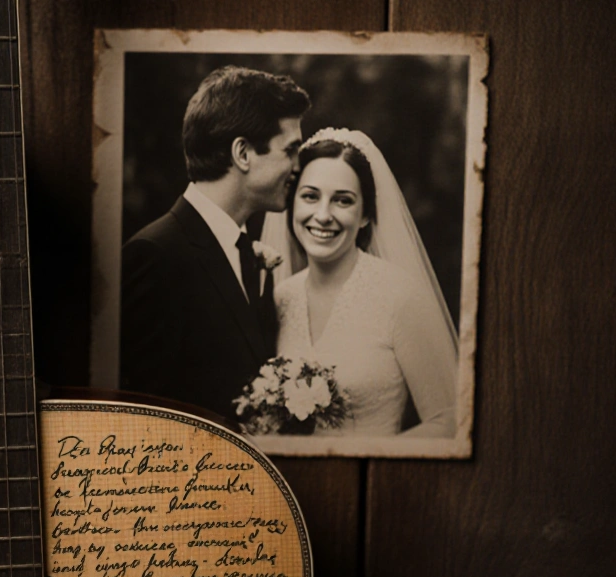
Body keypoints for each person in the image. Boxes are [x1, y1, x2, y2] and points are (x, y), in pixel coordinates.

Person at [119, 66, 310, 419]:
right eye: (290, 151)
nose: (299, 166)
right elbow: (141, 418)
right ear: (243, 154)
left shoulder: (245, 253)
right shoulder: (154, 257)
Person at [270, 128, 458, 437]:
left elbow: (450, 420)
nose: (323, 215)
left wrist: (359, 463)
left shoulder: (400, 296)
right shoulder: (280, 298)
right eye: (310, 196)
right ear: (292, 204)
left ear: (365, 215)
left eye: (342, 201)